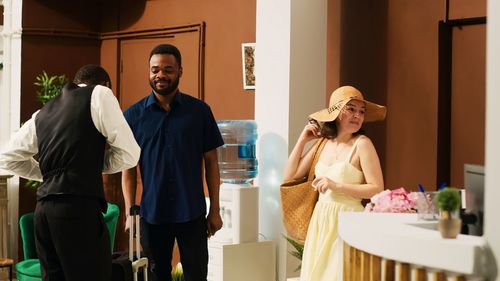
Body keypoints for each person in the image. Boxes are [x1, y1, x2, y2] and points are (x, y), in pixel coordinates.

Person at [0, 64, 140, 281]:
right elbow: (130, 154)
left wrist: (49, 175)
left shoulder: (42, 112)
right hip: (76, 209)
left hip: (43, 213)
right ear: (107, 85)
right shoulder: (101, 94)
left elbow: (6, 158)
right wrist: (90, 167)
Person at [122, 44, 224, 281]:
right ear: (149, 72)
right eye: (155, 69)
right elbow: (128, 169)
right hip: (152, 213)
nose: (160, 75)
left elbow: (211, 163)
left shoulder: (199, 112)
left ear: (180, 71)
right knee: (157, 276)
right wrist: (130, 212)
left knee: (197, 274)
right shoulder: (133, 116)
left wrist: (215, 210)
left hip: (192, 211)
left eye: (168, 69)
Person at [283, 85, 386, 281]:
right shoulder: (323, 143)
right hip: (321, 221)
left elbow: (376, 189)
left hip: (349, 220)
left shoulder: (362, 144)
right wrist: (302, 140)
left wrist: (336, 186)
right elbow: (290, 176)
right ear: (336, 112)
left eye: (361, 111)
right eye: (351, 109)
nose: (358, 116)